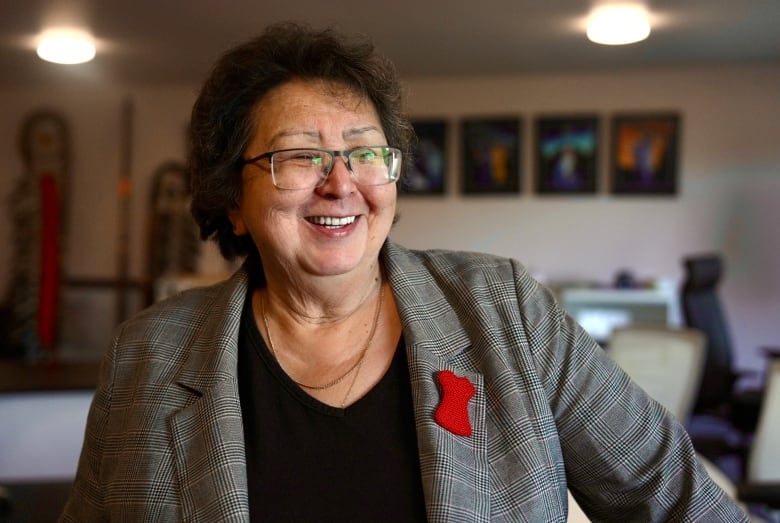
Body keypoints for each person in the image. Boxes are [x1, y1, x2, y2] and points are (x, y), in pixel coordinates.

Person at [61, 22, 749, 522]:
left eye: (365, 153)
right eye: (299, 156)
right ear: (232, 202)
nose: (341, 184)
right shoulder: (146, 356)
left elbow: (676, 497)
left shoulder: (505, 310)